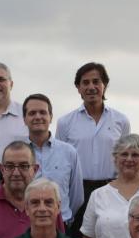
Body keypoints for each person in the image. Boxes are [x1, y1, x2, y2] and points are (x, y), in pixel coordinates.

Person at [55, 62, 130, 208]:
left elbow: (126, 158)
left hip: (113, 190)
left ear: (104, 85)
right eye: (85, 82)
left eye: (96, 82)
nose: (91, 87)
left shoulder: (121, 121)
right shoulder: (65, 122)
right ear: (78, 88)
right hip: (78, 191)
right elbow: (61, 163)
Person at [23, 93, 84, 227]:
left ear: (51, 117)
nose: (38, 117)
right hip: (25, 225)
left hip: (61, 225)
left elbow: (77, 196)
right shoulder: (18, 153)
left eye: (43, 112)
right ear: (24, 119)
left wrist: (62, 216)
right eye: (32, 113)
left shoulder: (69, 152)